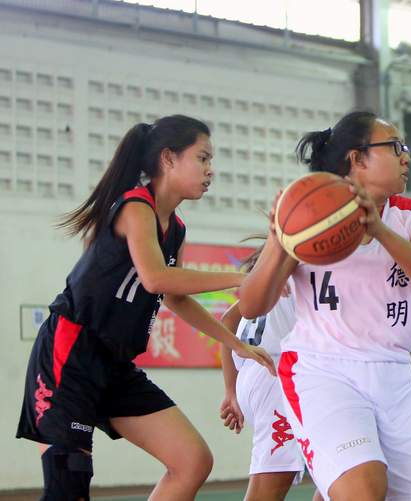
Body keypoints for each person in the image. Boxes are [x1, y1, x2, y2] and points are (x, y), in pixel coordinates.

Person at [16, 115, 275, 500]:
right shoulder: (136, 208)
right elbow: (156, 279)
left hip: (114, 365)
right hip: (69, 356)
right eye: (202, 158)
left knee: (192, 461)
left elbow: (175, 297)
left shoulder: (177, 228)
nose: (210, 170)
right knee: (68, 485)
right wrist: (241, 279)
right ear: (169, 159)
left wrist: (235, 344)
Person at [237, 110, 411, 501]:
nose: (407, 156)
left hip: (395, 377)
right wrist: (278, 241)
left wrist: (380, 232)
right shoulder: (306, 215)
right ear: (357, 159)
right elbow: (253, 304)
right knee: (363, 489)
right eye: (395, 147)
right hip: (323, 371)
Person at [218, 246, 323, 501]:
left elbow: (228, 322)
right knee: (269, 487)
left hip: (257, 375)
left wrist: (231, 391)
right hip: (275, 378)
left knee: (337, 470)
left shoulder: (270, 270)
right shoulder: (303, 268)